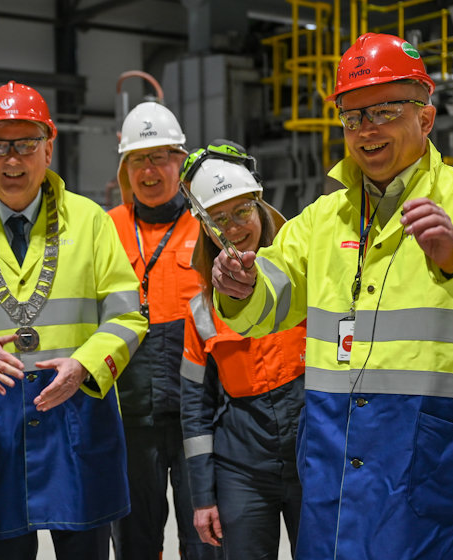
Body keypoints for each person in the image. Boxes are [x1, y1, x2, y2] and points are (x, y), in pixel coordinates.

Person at [210, 33, 453, 560]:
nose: (366, 130)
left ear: (426, 118)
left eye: (384, 111)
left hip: (440, 465)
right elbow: (268, 301)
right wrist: (242, 287)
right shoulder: (322, 219)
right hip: (337, 467)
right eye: (353, 117)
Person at [0, 81, 147, 560]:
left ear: (48, 148)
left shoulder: (90, 222)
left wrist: (85, 365)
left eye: (26, 144)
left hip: (78, 414)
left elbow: (127, 315)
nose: (11, 160)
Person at [178, 143, 306, 559]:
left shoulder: (304, 277)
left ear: (260, 206)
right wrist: (202, 496)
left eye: (241, 211)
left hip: (312, 454)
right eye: (219, 219)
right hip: (242, 465)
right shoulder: (201, 309)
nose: (232, 228)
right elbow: (195, 409)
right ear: (205, 228)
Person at [108, 101, 215, 560]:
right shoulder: (107, 229)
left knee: (206, 538)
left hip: (199, 415)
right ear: (125, 169)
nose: (148, 170)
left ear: (180, 162)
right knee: (134, 541)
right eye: (138, 160)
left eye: (159, 157)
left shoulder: (209, 223)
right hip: (130, 416)